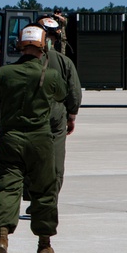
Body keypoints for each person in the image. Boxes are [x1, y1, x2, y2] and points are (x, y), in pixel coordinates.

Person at [0, 24, 66, 253]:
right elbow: (61, 95)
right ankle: (44, 244)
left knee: (8, 189)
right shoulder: (50, 74)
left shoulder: (4, 74)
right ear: (44, 47)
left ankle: (2, 238)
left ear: (20, 46)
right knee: (44, 192)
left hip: (10, 139)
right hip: (41, 141)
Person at [36, 15, 82, 197]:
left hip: (30, 117)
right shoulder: (65, 62)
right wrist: (71, 117)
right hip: (55, 117)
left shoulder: (23, 61)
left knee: (32, 158)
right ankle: (49, 199)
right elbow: (74, 92)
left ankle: (35, 198)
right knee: (55, 160)